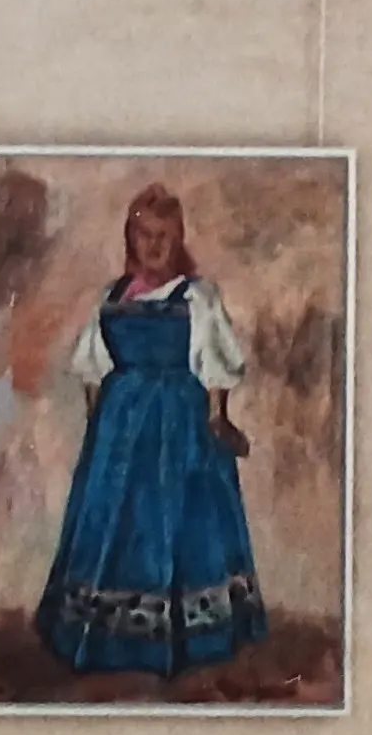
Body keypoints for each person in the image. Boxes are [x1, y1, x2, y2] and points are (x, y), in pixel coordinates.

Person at [34, 185, 267, 681]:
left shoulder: (198, 298)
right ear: (130, 238)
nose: (154, 245)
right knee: (117, 523)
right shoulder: (111, 299)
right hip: (121, 432)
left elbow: (216, 367)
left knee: (182, 525)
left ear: (179, 238)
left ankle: (188, 639)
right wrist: (101, 429)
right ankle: (113, 640)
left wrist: (217, 418)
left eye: (165, 236)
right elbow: (92, 368)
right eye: (144, 234)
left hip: (180, 430)